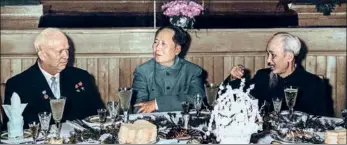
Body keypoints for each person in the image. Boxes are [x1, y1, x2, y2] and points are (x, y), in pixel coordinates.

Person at [3, 28, 105, 128]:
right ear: (42, 55)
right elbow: (10, 131)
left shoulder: (81, 77)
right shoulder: (18, 85)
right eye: (60, 51)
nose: (66, 56)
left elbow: (99, 116)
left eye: (67, 50)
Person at [223, 32, 334, 117]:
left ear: (289, 57)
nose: (268, 60)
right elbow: (231, 97)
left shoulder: (313, 84)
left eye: (273, 55)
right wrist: (234, 77)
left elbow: (322, 122)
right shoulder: (262, 76)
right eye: (268, 54)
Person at [132, 25, 205, 113]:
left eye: (163, 44)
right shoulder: (142, 71)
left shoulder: (193, 71)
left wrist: (156, 104)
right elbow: (138, 107)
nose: (157, 48)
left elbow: (197, 100)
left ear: (177, 49)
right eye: (156, 42)